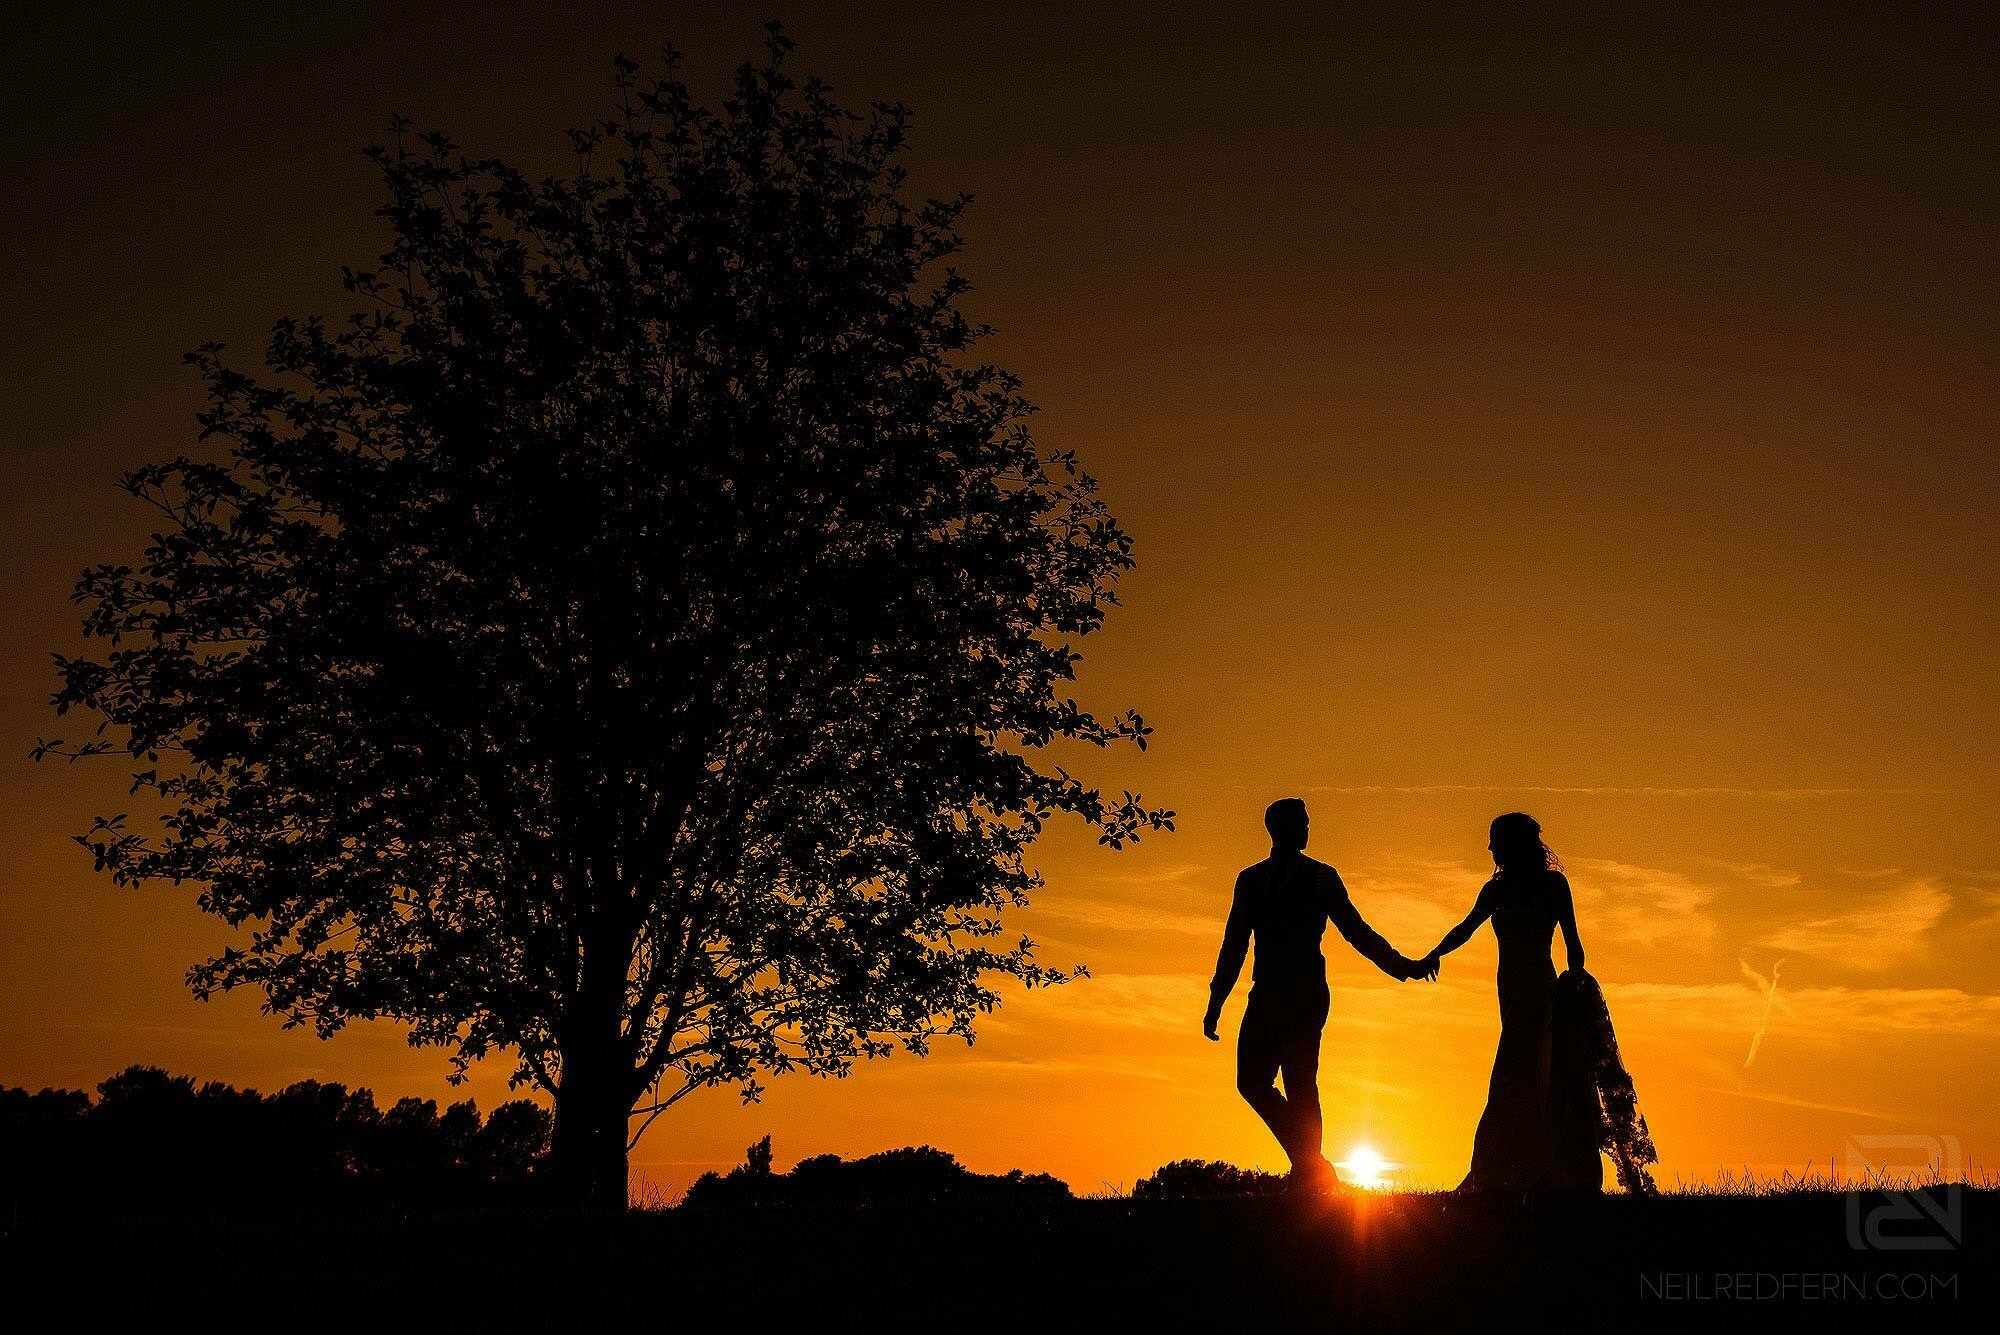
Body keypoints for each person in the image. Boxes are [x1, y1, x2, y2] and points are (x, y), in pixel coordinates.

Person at [1204, 798, 1432, 1189]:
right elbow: (1234, 944)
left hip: (1306, 992)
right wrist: (1216, 1001)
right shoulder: (1252, 880)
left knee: (1300, 1081)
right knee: (1251, 1082)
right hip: (1268, 990)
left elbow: (1355, 930)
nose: (1309, 830)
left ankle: (1308, 1171)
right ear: (1282, 829)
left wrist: (1401, 966)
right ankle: (1312, 1163)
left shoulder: (1321, 877)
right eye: (1304, 823)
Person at [1422, 812, 1652, 1192]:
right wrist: (1435, 953)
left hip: (1540, 991)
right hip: (1510, 991)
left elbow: (1573, 945)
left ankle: (1518, 1169)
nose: (1489, 847)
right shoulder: (1495, 889)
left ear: (1511, 843)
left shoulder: (1553, 885)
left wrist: (1575, 989)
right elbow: (1465, 928)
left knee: (1522, 1077)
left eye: (1495, 839)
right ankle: (1528, 1169)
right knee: (1527, 1076)